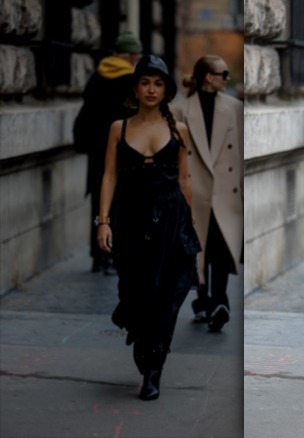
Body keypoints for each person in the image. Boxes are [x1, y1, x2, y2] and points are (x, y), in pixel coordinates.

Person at [97, 55, 201, 400]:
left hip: (171, 221)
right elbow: (109, 176)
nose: (152, 89)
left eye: (158, 83)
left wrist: (191, 227)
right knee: (136, 293)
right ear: (135, 88)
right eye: (145, 82)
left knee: (167, 299)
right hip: (130, 220)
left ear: (167, 89)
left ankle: (154, 369)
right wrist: (104, 222)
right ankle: (143, 348)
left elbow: (184, 180)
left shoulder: (178, 130)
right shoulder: (119, 128)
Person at [172, 55, 243, 331]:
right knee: (198, 248)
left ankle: (220, 300)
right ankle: (203, 301)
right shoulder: (180, 110)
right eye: (222, 74)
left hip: (226, 190)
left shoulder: (234, 108)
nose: (227, 78)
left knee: (221, 247)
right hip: (194, 189)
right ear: (207, 78)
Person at [73, 32, 143, 275]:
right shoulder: (130, 80)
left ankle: (98, 256)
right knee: (120, 202)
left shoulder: (98, 74)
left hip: (97, 149)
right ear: (132, 56)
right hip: (121, 150)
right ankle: (112, 255)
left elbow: (87, 111)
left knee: (99, 202)